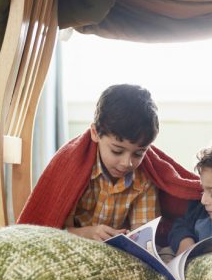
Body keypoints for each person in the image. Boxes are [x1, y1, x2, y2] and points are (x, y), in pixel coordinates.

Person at [64, 84, 161, 241]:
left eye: (138, 153)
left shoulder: (143, 181)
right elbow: (54, 229)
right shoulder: (74, 170)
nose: (126, 163)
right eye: (117, 151)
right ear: (95, 133)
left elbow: (143, 237)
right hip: (76, 241)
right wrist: (87, 233)